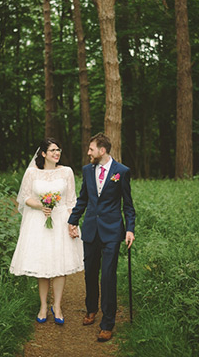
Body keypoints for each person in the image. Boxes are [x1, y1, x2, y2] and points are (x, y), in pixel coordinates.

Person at [68, 132, 135, 342]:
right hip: (90, 230)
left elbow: (128, 205)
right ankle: (91, 309)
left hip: (112, 232)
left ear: (102, 150)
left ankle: (107, 323)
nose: (88, 153)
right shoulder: (87, 170)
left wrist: (130, 229)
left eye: (91, 149)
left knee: (107, 276)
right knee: (90, 273)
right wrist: (73, 220)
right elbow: (83, 199)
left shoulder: (121, 172)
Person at [10, 138, 84, 325]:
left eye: (58, 150)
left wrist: (72, 223)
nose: (56, 153)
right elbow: (25, 197)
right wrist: (40, 205)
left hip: (60, 220)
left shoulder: (66, 172)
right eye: (52, 150)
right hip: (38, 221)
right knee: (42, 265)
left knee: (60, 264)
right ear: (43, 154)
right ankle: (43, 305)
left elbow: (71, 200)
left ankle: (57, 305)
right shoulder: (31, 173)